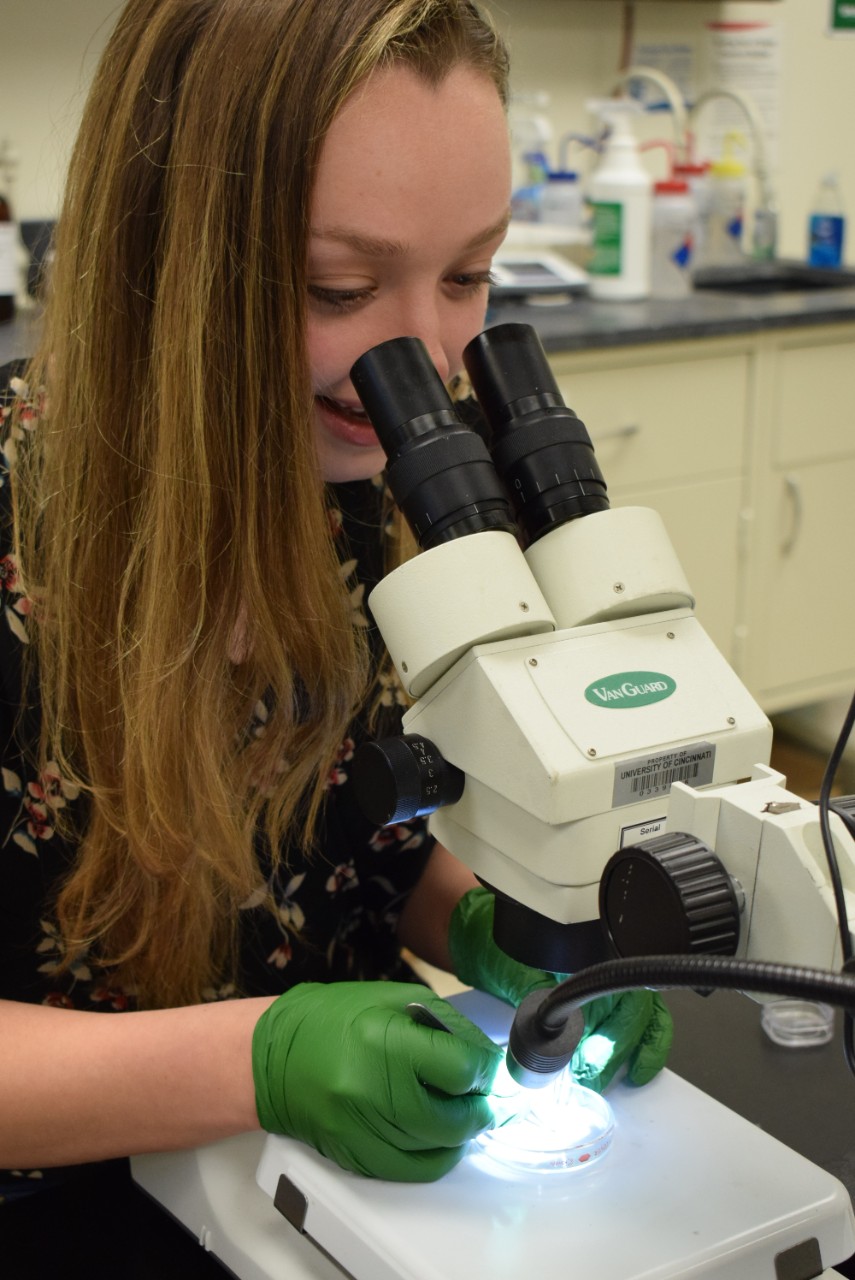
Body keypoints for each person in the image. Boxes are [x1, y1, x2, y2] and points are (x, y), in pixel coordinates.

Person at [0, 0, 672, 1259]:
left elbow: (357, 833)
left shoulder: (374, 493)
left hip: (325, 1188)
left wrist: (510, 924)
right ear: (167, 259)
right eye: (341, 285)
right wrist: (258, 1053)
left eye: (470, 273)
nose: (429, 352)